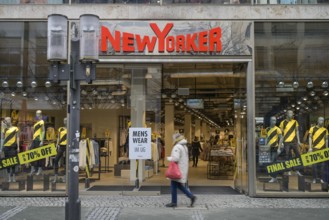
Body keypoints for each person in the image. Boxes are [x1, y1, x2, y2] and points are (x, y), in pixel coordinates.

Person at [165, 133, 196, 208]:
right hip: (182, 168)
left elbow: (175, 158)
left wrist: (168, 158)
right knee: (178, 185)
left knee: (173, 185)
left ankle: (174, 202)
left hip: (177, 170)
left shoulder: (177, 147)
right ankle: (191, 196)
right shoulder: (184, 146)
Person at [279, 110, 302, 176]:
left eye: (292, 113)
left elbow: (297, 131)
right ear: (287, 114)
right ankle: (288, 170)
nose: (291, 114)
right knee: (287, 156)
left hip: (294, 141)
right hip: (286, 142)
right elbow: (281, 134)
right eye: (289, 113)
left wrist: (299, 141)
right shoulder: (283, 122)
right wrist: (281, 143)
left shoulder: (295, 122)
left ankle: (297, 170)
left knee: (297, 155)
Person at [308, 117, 328, 184]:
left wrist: (327, 148)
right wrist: (310, 147)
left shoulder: (325, 130)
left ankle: (321, 178)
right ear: (318, 121)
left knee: (322, 165)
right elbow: (310, 138)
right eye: (320, 120)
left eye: (323, 120)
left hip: (322, 149)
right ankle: (315, 178)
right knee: (314, 165)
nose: (321, 121)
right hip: (315, 148)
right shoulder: (312, 128)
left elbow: (326, 139)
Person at [0, 117, 20, 182]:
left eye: (7, 120)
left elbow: (17, 138)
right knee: (7, 162)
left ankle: (13, 176)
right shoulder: (4, 129)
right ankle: (9, 177)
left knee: (13, 162)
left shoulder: (15, 128)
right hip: (6, 147)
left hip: (13, 146)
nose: (6, 121)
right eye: (5, 120)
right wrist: (1, 148)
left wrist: (18, 147)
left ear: (10, 120)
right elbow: (2, 139)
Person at [265, 116, 283, 183]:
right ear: (270, 121)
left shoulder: (277, 129)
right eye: (272, 120)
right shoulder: (267, 129)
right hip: (269, 148)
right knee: (269, 162)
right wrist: (265, 146)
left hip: (275, 147)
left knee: (273, 162)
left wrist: (279, 148)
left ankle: (274, 177)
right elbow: (267, 137)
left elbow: (281, 138)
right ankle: (274, 177)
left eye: (275, 120)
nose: (274, 122)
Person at [30, 110, 45, 176]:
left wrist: (42, 140)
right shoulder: (36, 122)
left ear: (41, 115)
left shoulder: (41, 121)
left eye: (38, 114)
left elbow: (43, 131)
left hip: (38, 139)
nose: (37, 115)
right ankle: (33, 168)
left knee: (39, 155)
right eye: (36, 114)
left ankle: (39, 169)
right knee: (31, 153)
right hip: (34, 139)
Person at [53, 118, 67, 183]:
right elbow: (58, 137)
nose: (65, 122)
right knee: (56, 160)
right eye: (64, 120)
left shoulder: (70, 128)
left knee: (66, 162)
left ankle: (65, 177)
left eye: (66, 120)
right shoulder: (60, 129)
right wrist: (56, 145)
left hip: (67, 146)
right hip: (61, 146)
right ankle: (56, 176)